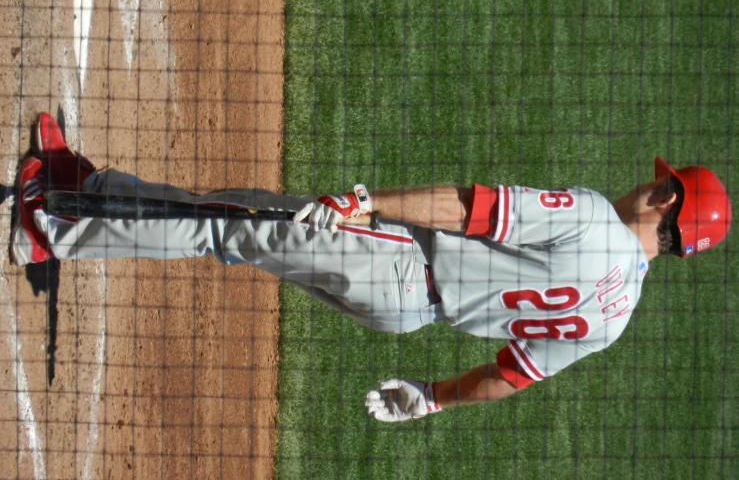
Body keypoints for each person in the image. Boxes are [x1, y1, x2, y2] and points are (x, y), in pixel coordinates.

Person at [11, 113, 732, 422]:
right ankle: (92, 190)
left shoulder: (592, 219)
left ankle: (51, 224)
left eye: (657, 181)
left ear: (664, 198)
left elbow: (467, 208)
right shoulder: (615, 319)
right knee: (242, 216)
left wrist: (362, 203)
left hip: (394, 255)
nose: (644, 182)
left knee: (228, 227)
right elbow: (511, 375)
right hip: (405, 313)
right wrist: (432, 397)